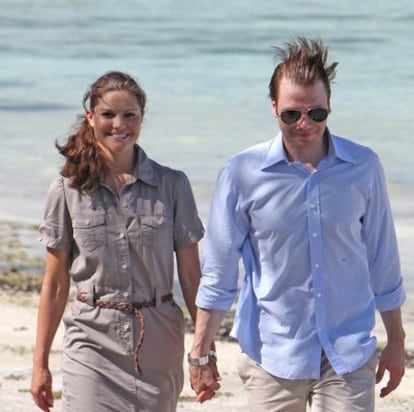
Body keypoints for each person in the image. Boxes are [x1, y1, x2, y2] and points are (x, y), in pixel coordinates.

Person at [188, 37, 406, 411]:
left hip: (348, 350)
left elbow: (382, 261)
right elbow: (220, 271)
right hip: (272, 351)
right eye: (292, 114)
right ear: (273, 107)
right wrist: (200, 350)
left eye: (316, 114)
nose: (305, 124)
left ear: (329, 107)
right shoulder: (241, 173)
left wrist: (397, 342)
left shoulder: (364, 167)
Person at [30, 71, 208, 412]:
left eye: (130, 115)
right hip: (90, 339)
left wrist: (204, 350)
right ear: (91, 117)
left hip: (158, 340)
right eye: (108, 114)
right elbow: (54, 285)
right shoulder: (66, 190)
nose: (119, 125)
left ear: (142, 119)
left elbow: (191, 278)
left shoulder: (173, 185)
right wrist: (40, 363)